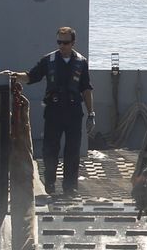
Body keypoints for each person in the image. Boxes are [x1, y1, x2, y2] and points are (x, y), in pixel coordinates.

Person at [23, 26, 95, 194]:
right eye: (59, 42)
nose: (62, 46)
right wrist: (14, 77)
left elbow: (86, 89)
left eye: (66, 42)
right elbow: (32, 76)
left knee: (72, 151)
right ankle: (50, 184)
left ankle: (70, 187)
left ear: (73, 43)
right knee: (50, 150)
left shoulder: (81, 62)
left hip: (73, 112)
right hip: (54, 112)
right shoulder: (48, 60)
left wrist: (91, 113)